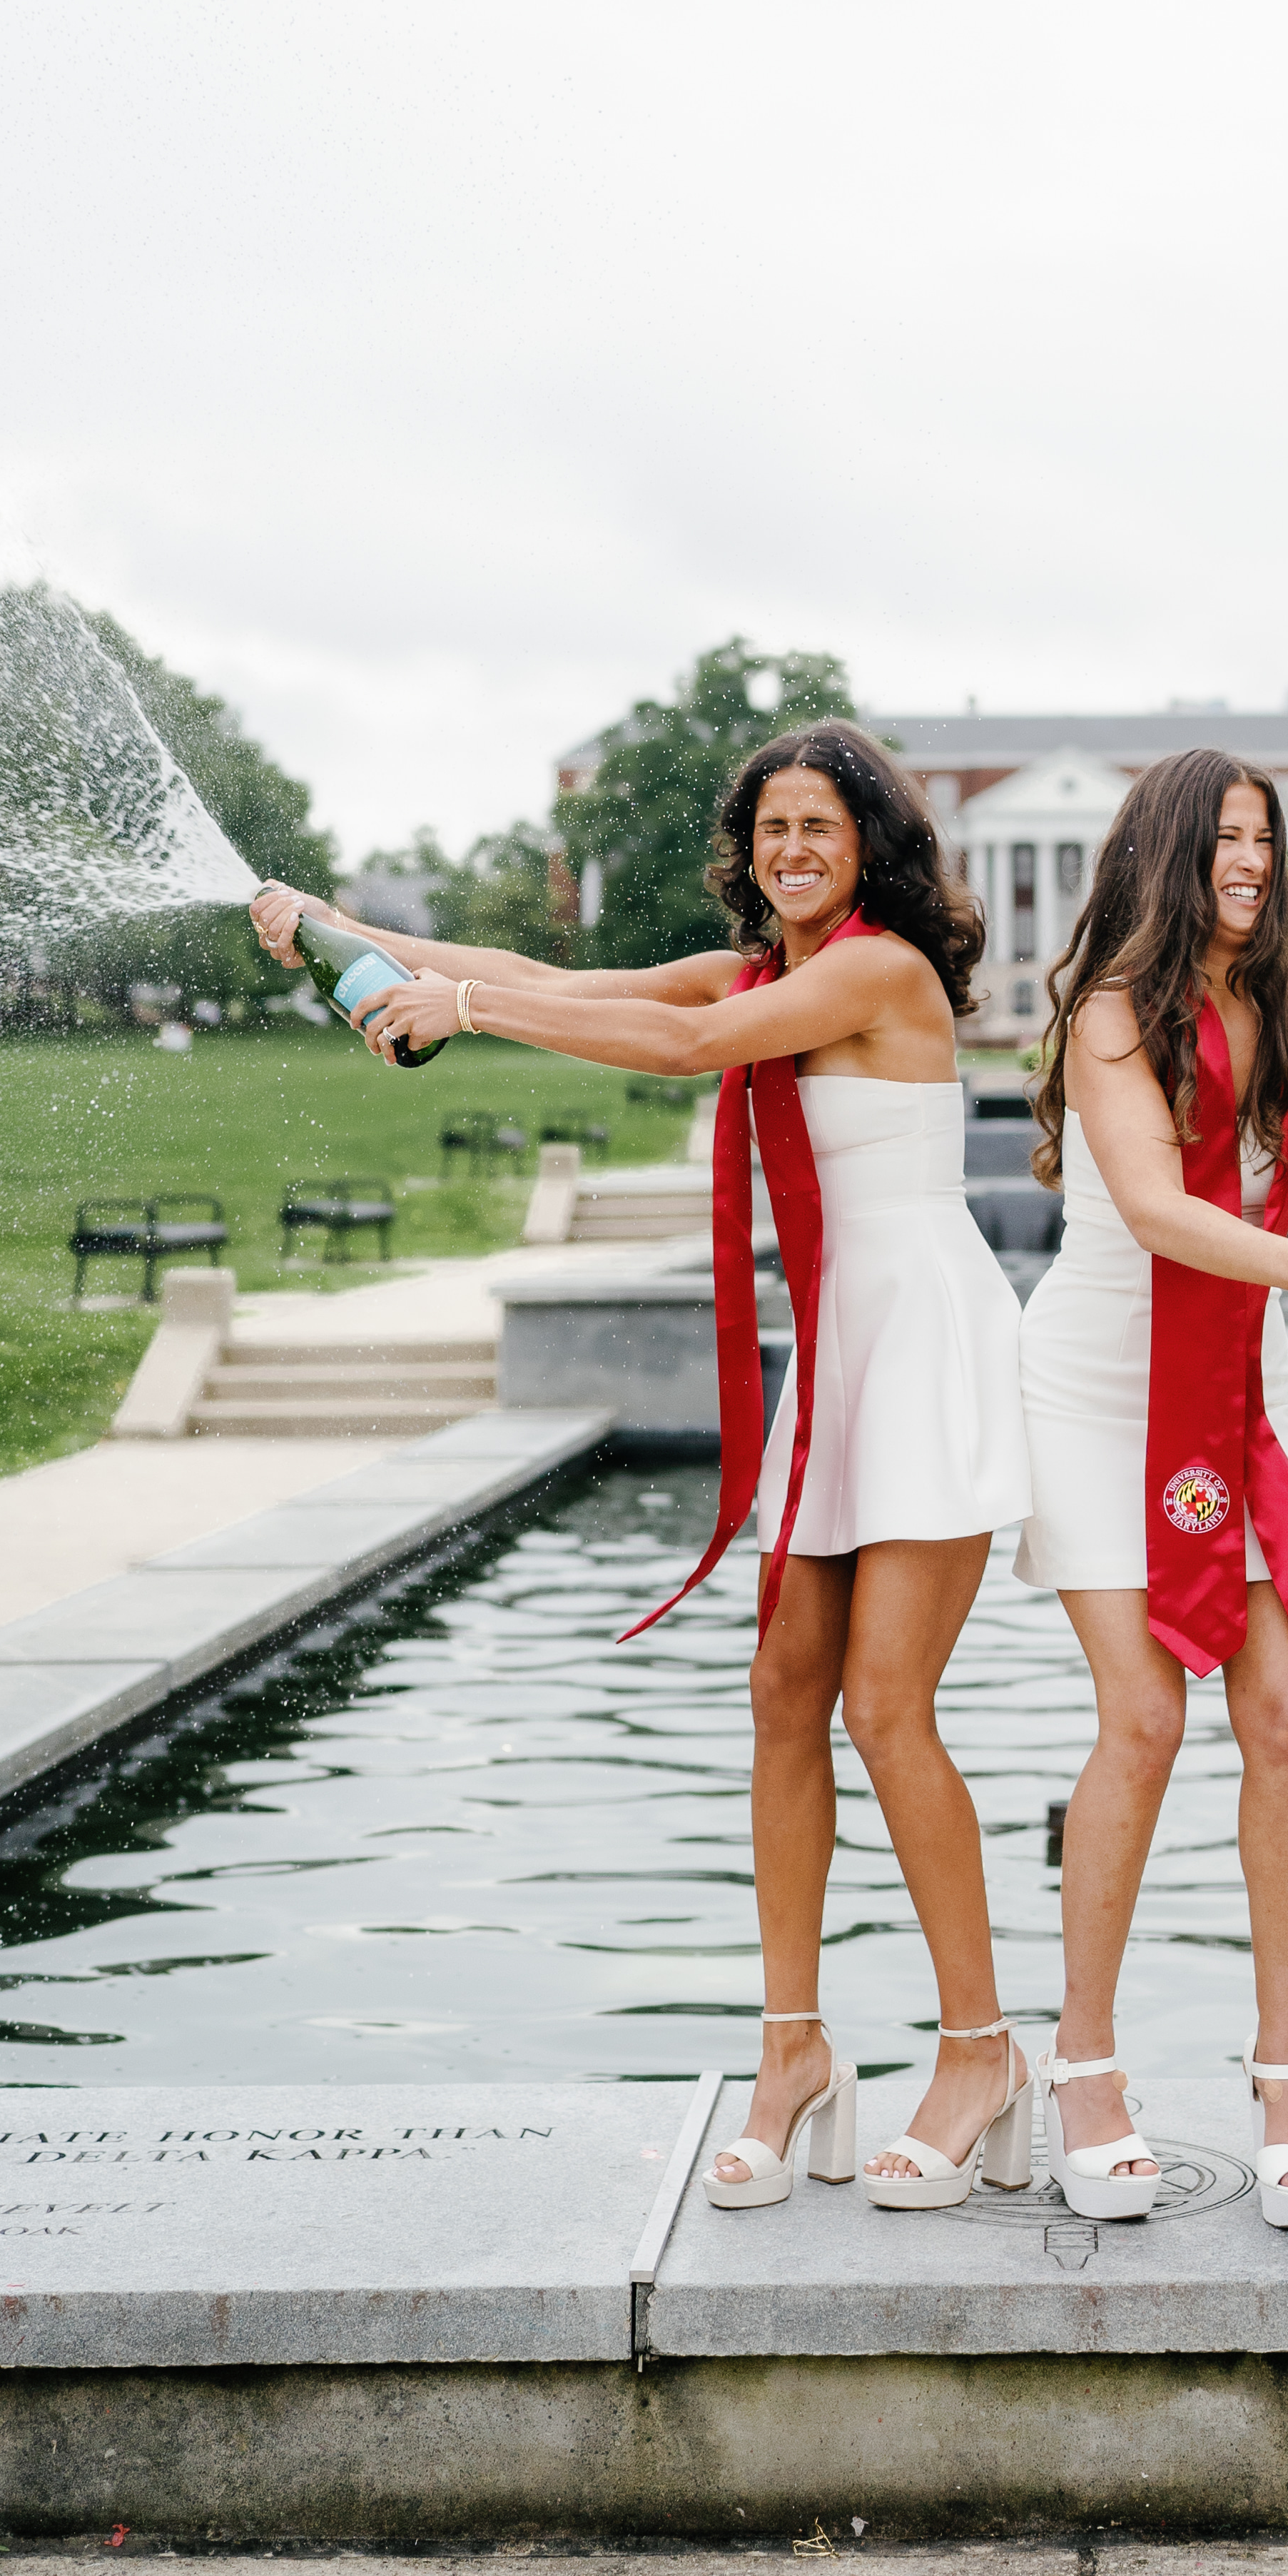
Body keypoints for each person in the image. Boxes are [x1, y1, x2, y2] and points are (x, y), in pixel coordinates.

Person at [248, 724, 1034, 2213]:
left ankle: (982, 2050)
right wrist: (336, 930)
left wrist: (461, 1008)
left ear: (869, 843)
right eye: (770, 829)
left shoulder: (874, 974)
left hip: (922, 1351)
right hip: (839, 1354)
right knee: (783, 1695)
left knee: (883, 1706)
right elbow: (561, 984)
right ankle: (792, 2050)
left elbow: (668, 1046)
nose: (792, 849)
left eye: (819, 825)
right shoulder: (765, 970)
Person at [1013, 747, 1288, 2233]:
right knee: (1142, 1716)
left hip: (1236, 1390)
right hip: (1095, 1388)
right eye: (1224, 840)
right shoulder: (1111, 1017)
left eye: (1265, 840)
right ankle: (1083, 2067)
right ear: (1166, 856)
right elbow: (1155, 1211)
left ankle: (1286, 2073)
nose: (1249, 862)